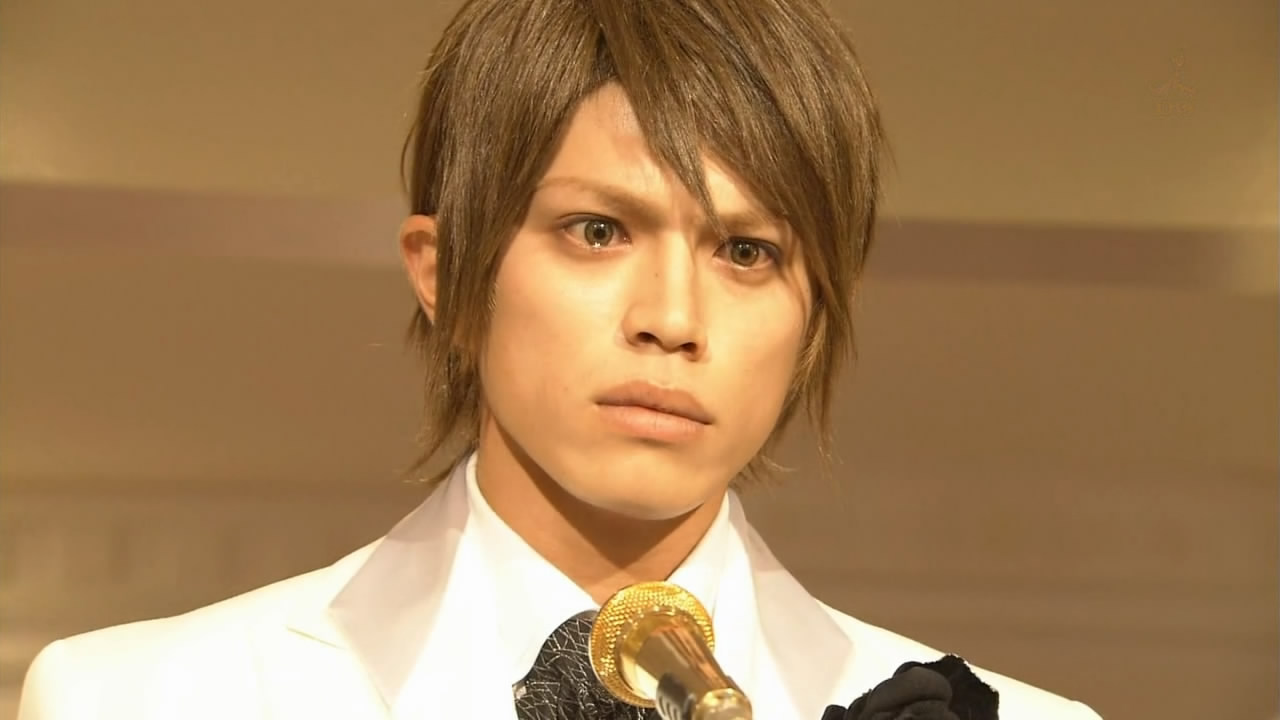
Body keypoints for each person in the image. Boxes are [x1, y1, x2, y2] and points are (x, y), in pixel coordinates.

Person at [17, 1, 1104, 718]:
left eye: (746, 251)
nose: (672, 317)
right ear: (447, 271)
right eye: (597, 230)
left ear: (814, 312)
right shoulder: (146, 699)